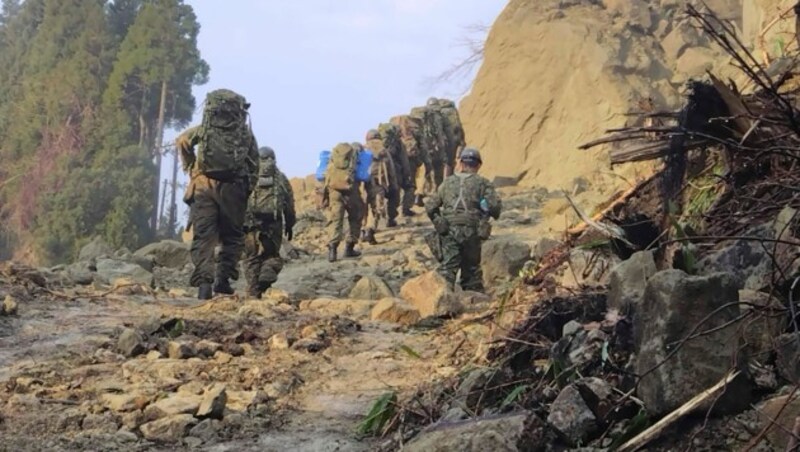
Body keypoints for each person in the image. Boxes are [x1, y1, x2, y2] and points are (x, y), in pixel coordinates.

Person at [177, 89, 258, 300]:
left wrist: (191, 167)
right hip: (233, 190)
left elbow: (182, 141)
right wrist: (246, 190)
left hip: (202, 186)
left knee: (204, 236)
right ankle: (222, 280)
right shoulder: (245, 134)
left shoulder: (203, 130)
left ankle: (204, 283)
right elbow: (254, 164)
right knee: (232, 237)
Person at [425, 148, 501, 292]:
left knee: (447, 270)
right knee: (471, 270)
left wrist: (439, 222)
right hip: (472, 231)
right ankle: (473, 301)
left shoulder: (447, 183)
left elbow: (430, 206)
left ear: (461, 163)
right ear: (478, 165)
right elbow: (494, 207)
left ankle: (442, 301)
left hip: (449, 231)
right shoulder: (483, 183)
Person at [243, 147, 296, 299]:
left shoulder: (248, 175)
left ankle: (253, 293)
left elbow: (237, 199)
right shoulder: (280, 178)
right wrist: (290, 224)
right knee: (272, 256)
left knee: (251, 258)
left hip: (250, 225)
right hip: (273, 225)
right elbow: (289, 204)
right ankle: (266, 274)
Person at [324, 142, 365, 262]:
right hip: (351, 192)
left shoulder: (334, 158)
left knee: (336, 220)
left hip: (334, 192)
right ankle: (349, 248)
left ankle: (332, 251)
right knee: (355, 217)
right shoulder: (356, 157)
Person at [363, 129, 399, 244]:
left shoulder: (363, 149)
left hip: (363, 183)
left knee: (364, 208)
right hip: (378, 183)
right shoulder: (383, 150)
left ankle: (362, 231)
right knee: (376, 208)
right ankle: (370, 230)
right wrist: (393, 186)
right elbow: (391, 170)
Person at [378, 122, 412, 223]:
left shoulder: (375, 146)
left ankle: (370, 226)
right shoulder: (398, 143)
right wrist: (407, 176)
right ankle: (391, 218)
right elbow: (404, 161)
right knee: (394, 195)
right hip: (394, 173)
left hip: (376, 175)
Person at [428, 97, 466, 178]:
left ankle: (446, 182)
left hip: (446, 140)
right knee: (452, 161)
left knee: (445, 163)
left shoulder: (438, 113)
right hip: (457, 138)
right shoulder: (452, 110)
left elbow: (439, 130)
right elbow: (458, 126)